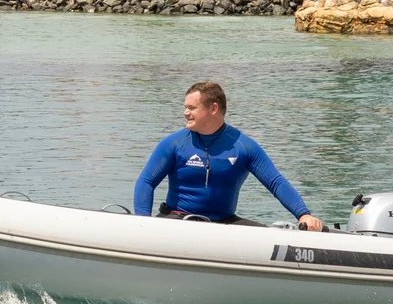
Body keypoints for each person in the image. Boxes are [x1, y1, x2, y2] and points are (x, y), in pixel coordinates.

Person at [133, 81, 325, 231]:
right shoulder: (174, 143)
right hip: (178, 219)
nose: (185, 112)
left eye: (192, 108)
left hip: (224, 225)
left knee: (267, 235)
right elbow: (146, 181)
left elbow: (275, 182)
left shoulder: (243, 146)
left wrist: (303, 215)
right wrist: (143, 224)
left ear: (213, 109)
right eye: (185, 107)